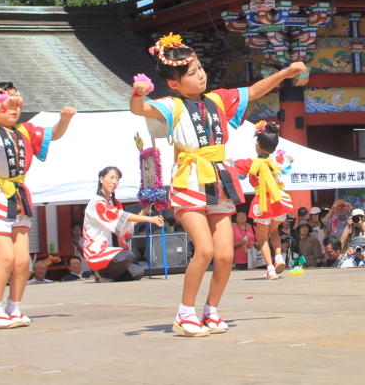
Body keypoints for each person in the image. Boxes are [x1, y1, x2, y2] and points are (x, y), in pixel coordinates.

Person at [131, 33, 306, 337]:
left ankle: (211, 310)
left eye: (199, 68)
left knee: (225, 254)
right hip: (189, 181)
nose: (200, 75)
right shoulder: (171, 105)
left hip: (218, 181)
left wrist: (284, 74)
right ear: (174, 83)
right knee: (206, 250)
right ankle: (185, 312)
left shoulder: (217, 100)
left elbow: (252, 91)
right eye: (192, 73)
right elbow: (140, 110)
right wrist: (137, 94)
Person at [0, 82, 76, 329]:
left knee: (21, 261)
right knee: (5, 257)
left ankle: (13, 308)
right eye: (9, 104)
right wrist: (0, 104)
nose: (14, 108)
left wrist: (65, 120)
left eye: (17, 103)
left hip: (17, 196)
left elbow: (55, 134)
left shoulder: (25, 130)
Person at [233, 121, 294, 280]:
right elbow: (291, 159)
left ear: (258, 144)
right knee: (274, 231)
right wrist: (280, 156)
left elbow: (233, 168)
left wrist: (228, 161)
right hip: (278, 199)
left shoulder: (251, 163)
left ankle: (270, 269)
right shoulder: (277, 160)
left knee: (262, 237)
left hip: (262, 202)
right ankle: (279, 257)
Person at [83, 166, 164, 283]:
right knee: (127, 256)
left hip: (114, 252)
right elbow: (119, 216)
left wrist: (142, 214)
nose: (114, 182)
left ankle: (108, 276)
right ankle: (100, 272)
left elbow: (124, 225)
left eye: (117, 179)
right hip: (98, 250)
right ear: (101, 179)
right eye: (111, 178)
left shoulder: (115, 203)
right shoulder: (97, 202)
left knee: (137, 272)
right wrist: (148, 219)